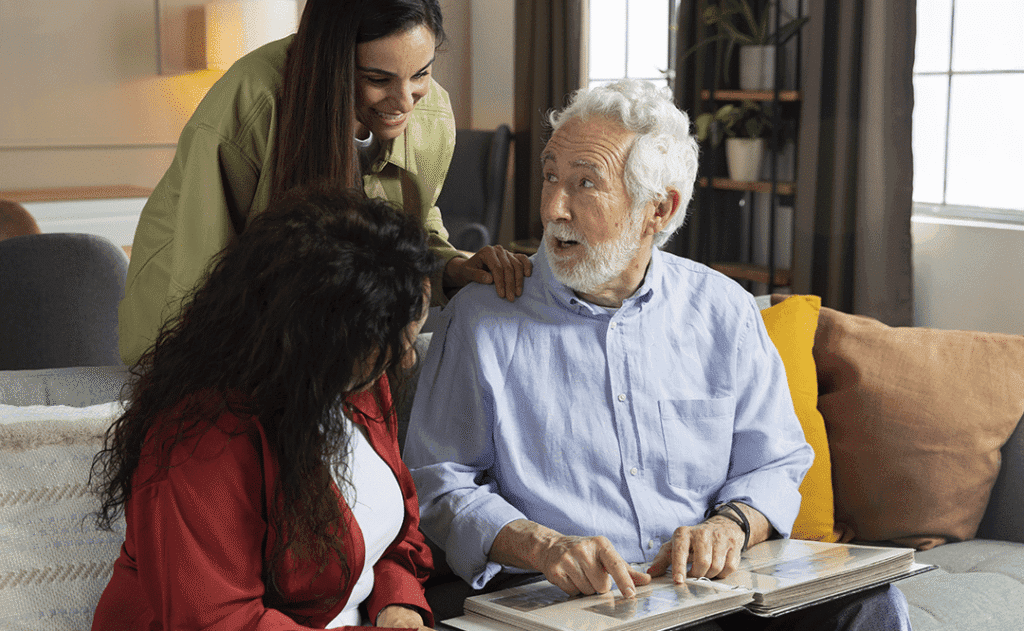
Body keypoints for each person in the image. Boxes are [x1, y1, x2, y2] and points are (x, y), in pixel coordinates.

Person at [403, 79, 912, 630]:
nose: (553, 207)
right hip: (571, 600)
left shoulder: (724, 311)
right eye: (551, 176)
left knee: (874, 606)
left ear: (659, 209)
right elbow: (436, 479)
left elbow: (775, 459)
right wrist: (541, 545)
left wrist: (731, 527)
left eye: (585, 184)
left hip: (713, 589)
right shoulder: (484, 317)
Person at [91, 186, 441, 630]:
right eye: (397, 344)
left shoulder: (360, 384)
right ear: (324, 340)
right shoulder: (201, 437)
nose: (407, 360)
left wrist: (399, 608)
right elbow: (218, 620)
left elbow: (395, 535)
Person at [119, 0, 530, 366]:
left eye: (420, 73)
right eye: (378, 78)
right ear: (333, 62)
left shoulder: (432, 115)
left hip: (323, 340)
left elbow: (413, 227)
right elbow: (199, 275)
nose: (405, 100)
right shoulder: (252, 103)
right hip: (198, 332)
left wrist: (453, 268)